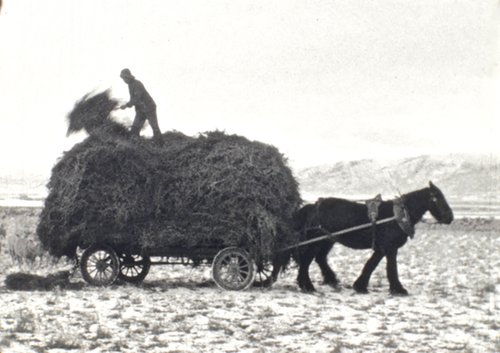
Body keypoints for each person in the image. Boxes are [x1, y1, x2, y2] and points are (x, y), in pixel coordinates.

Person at [119, 68, 162, 140]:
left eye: (124, 78)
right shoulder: (130, 85)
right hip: (140, 110)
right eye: (123, 79)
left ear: (128, 77)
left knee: (154, 127)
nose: (124, 81)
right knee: (135, 128)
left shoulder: (137, 84)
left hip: (149, 108)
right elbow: (133, 98)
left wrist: (127, 105)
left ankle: (160, 144)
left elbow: (137, 97)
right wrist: (128, 104)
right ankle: (135, 143)